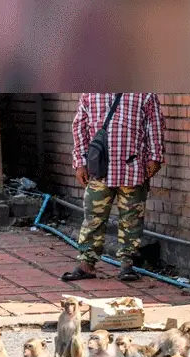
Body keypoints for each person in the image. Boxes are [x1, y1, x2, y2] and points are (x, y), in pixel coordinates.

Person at [61, 93, 164, 282]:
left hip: (132, 168)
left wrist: (155, 157)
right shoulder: (90, 94)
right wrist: (80, 163)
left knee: (132, 219)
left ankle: (127, 264)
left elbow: (154, 126)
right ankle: (87, 264)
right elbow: (80, 129)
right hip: (99, 170)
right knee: (93, 217)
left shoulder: (144, 94)